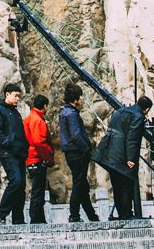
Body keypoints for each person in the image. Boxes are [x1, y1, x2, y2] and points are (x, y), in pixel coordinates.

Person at [94, 96, 151, 220]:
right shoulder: (138, 116)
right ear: (146, 109)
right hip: (122, 154)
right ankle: (126, 214)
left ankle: (122, 213)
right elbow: (132, 139)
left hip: (109, 152)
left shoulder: (120, 111)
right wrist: (131, 158)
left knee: (116, 184)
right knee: (126, 184)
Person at [58, 85, 99, 223]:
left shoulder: (64, 112)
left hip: (70, 152)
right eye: (80, 96)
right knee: (78, 184)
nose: (81, 99)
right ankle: (74, 215)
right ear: (74, 98)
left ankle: (92, 216)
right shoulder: (72, 114)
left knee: (82, 185)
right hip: (77, 152)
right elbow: (76, 135)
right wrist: (86, 149)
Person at [0, 84, 29, 225]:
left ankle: (18, 219)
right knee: (16, 181)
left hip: (19, 153)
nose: (18, 99)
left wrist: (24, 148)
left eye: (19, 96)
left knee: (21, 187)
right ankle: (0, 214)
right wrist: (9, 143)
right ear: (7, 94)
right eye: (15, 95)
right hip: (8, 153)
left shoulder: (15, 112)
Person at [24, 93, 53, 224]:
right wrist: (48, 158)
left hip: (30, 158)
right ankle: (36, 219)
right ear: (45, 106)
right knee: (38, 192)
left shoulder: (29, 118)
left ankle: (39, 218)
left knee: (37, 191)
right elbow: (39, 142)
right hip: (37, 159)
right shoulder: (38, 120)